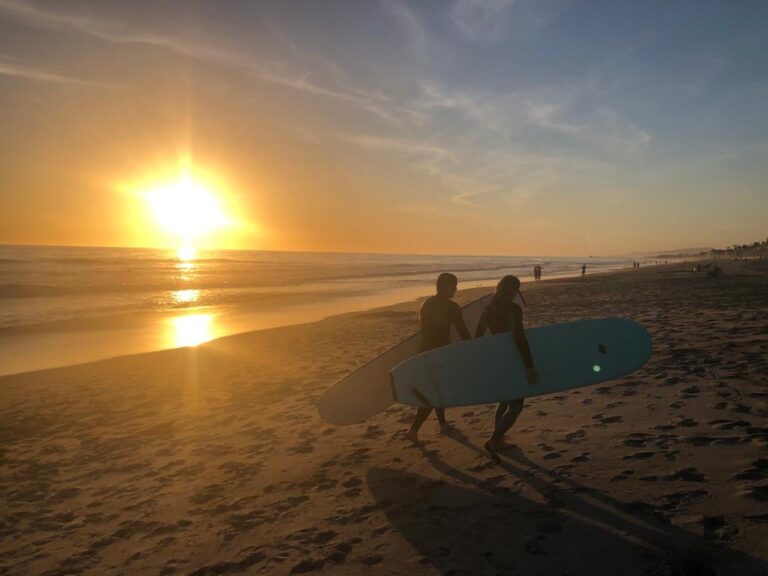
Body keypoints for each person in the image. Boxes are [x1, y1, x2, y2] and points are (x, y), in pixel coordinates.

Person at [475, 275, 539, 461]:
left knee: (504, 398)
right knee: (516, 405)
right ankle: (494, 439)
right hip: (512, 359)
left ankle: (500, 439)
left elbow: (477, 337)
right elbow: (519, 337)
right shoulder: (513, 309)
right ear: (512, 290)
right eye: (516, 289)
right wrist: (529, 366)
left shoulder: (488, 310)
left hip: (497, 360)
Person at [406, 272, 471, 442]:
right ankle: (413, 430)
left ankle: (442, 424)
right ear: (445, 286)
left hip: (424, 351)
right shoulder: (452, 307)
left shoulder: (426, 304)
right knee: (434, 392)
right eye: (454, 286)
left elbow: (426, 329)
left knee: (436, 388)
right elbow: (463, 331)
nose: (456, 289)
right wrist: (473, 348)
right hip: (440, 353)